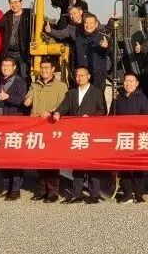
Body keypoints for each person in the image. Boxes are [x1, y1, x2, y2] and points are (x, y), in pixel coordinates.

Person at [52, 66, 107, 204]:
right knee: (77, 164)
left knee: (93, 164)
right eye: (77, 75)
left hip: (92, 133)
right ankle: (77, 194)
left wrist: (91, 117)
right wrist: (58, 113)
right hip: (76, 134)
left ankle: (94, 195)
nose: (79, 78)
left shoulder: (97, 92)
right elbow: (64, 107)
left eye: (82, 75)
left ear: (88, 76)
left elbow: (103, 111)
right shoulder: (71, 93)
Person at [26, 58, 69, 203]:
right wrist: (28, 99)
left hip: (51, 126)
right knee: (38, 160)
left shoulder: (61, 86)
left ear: (53, 69)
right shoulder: (35, 84)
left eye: (47, 67)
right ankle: (41, 190)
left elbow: (63, 104)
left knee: (51, 160)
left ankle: (53, 192)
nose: (44, 70)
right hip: (36, 126)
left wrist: (50, 111)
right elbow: (28, 98)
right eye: (42, 67)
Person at [109, 72, 148, 204]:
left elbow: (146, 118)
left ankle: (138, 193)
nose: (128, 83)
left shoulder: (142, 97)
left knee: (138, 166)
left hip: (137, 137)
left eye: (131, 81)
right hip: (123, 137)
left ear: (137, 83)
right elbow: (111, 116)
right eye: (126, 80)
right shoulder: (118, 97)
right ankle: (127, 193)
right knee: (124, 166)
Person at [0, 57, 29, 200]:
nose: (6, 68)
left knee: (15, 158)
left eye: (9, 66)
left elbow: (21, 100)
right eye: (4, 65)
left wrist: (7, 96)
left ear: (14, 67)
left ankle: (15, 189)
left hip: (14, 125)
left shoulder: (20, 82)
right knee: (3, 158)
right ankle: (5, 186)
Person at [46, 12, 111, 91]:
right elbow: (74, 56)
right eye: (86, 23)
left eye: (91, 23)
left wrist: (106, 47)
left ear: (96, 24)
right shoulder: (78, 37)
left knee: (97, 98)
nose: (88, 25)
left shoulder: (102, 37)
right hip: (81, 78)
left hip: (97, 80)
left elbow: (108, 53)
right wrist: (50, 31)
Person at [0, 0, 32, 82]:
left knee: (24, 75)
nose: (14, 5)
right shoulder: (8, 15)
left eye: (16, 2)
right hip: (9, 52)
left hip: (23, 51)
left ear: (21, 3)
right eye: (11, 3)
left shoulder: (29, 14)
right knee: (8, 75)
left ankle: (25, 90)